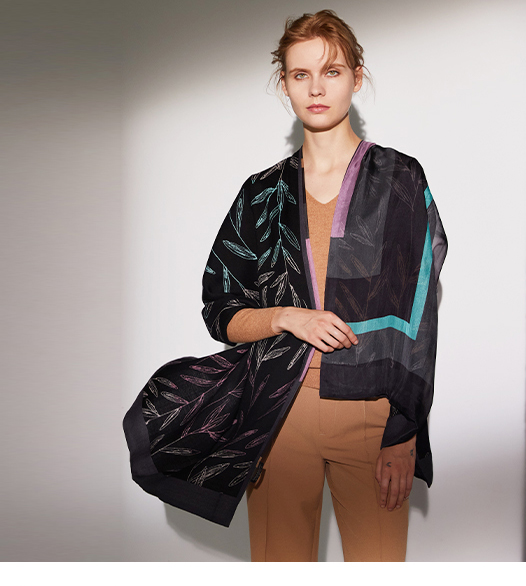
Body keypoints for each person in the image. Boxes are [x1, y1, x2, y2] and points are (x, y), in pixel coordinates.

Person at [123, 9, 447, 562]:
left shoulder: (399, 179)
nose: (316, 88)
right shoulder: (262, 193)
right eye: (301, 74)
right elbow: (221, 310)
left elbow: (418, 314)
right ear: (285, 84)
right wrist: (286, 316)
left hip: (370, 415)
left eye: (332, 71)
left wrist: (403, 430)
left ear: (357, 78)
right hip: (278, 415)